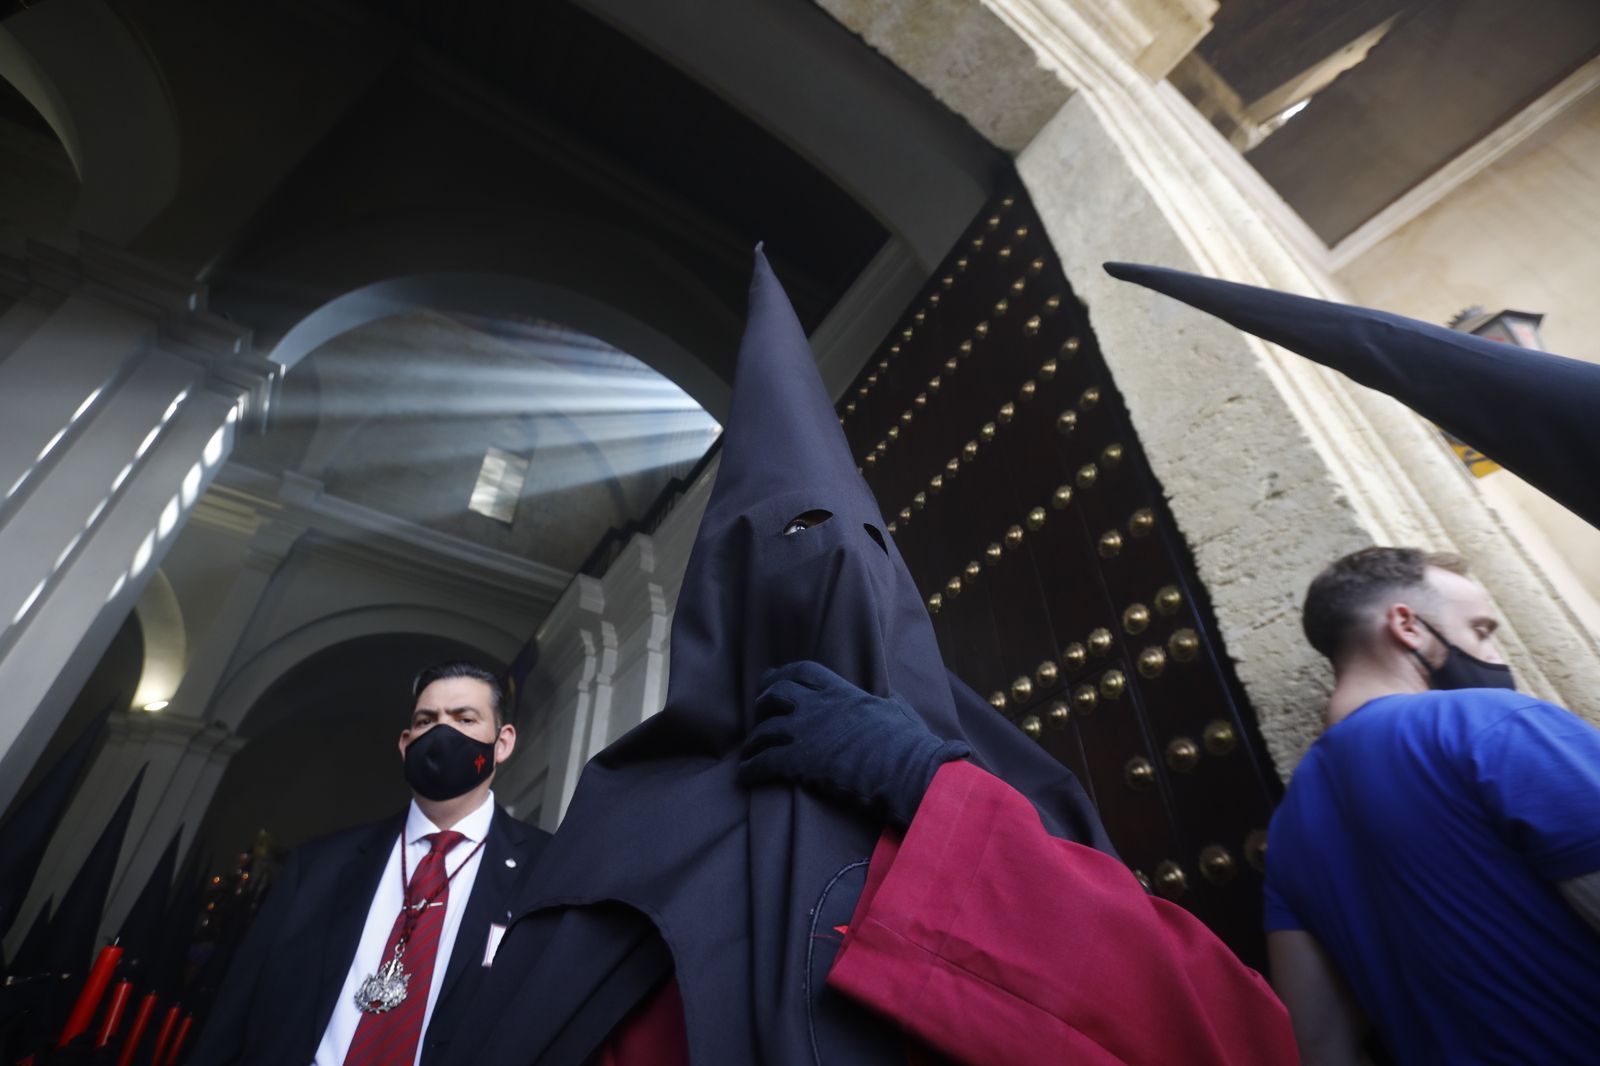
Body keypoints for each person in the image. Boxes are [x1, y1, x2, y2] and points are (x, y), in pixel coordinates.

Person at [446, 249, 1297, 1065]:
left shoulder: (1008, 794)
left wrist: (935, 791)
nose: (827, 566)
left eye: (856, 543)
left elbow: (1222, 1034)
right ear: (718, 605)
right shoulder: (623, 822)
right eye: (776, 546)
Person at [1265, 547, 1600, 1065]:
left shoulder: (1286, 832)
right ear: (1408, 624)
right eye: (1481, 630)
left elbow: (1317, 1045)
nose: (1493, 657)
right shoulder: (1492, 722)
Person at [188, 661, 548, 1066]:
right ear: (405, 743)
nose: (442, 733)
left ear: (502, 743)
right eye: (427, 720)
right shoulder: (319, 865)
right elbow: (237, 1007)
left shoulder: (547, 870)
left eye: (465, 718)